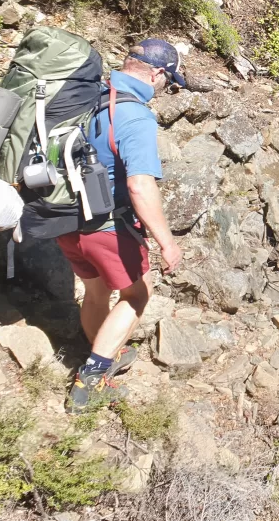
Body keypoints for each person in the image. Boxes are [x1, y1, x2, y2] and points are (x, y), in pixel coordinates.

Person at [58, 39, 185, 412]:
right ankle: (91, 381)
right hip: (107, 226)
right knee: (137, 295)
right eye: (170, 81)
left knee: (96, 293)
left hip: (65, 221)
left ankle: (104, 348)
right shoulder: (135, 115)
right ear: (158, 74)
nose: (167, 88)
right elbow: (139, 185)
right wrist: (167, 242)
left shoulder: (91, 95)